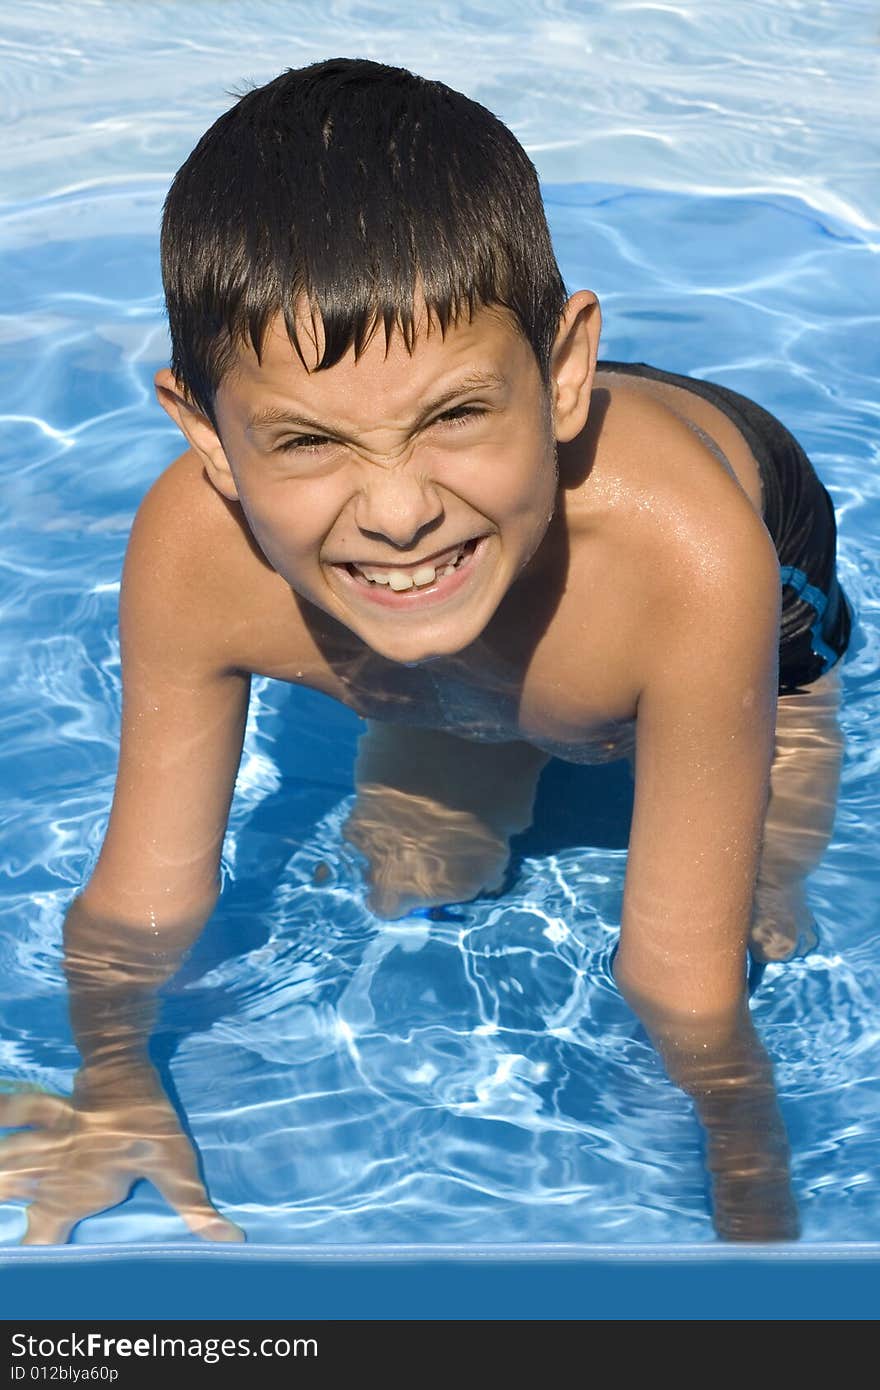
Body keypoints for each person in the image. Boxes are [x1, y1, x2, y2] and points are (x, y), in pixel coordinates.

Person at [0, 58, 853, 1245]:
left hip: (731, 544)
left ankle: (601, 700)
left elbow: (682, 986)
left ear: (564, 376)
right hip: (508, 501)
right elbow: (140, 905)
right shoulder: (195, 557)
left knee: (757, 889)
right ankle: (475, 697)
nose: (396, 509)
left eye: (450, 416)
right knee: (415, 868)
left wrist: (753, 1210)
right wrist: (112, 1080)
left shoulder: (693, 563)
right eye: (302, 440)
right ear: (205, 435)